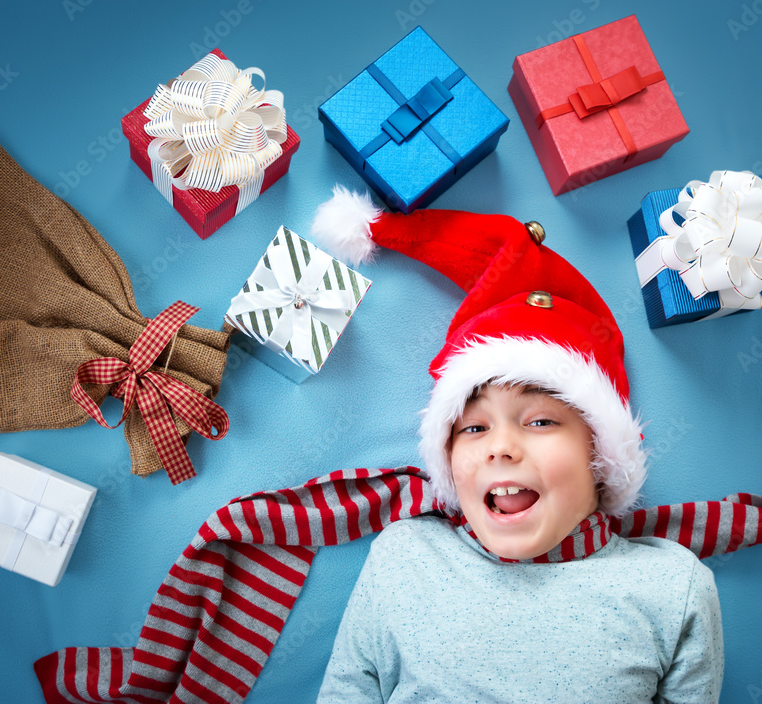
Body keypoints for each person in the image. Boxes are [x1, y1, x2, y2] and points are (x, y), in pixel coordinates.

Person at [310, 187, 723, 702]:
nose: (499, 448)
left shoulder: (672, 589)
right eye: (474, 428)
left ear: (601, 456)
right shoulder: (404, 558)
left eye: (541, 422)